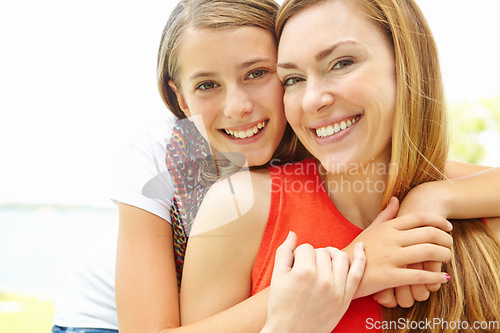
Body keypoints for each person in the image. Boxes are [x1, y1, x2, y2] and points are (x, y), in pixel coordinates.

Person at [53, 0, 499, 332]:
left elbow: (440, 169)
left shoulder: (314, 132)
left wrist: (433, 195)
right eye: (207, 85)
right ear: (180, 97)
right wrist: (350, 269)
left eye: (259, 74)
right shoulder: (165, 157)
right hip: (99, 319)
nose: (239, 107)